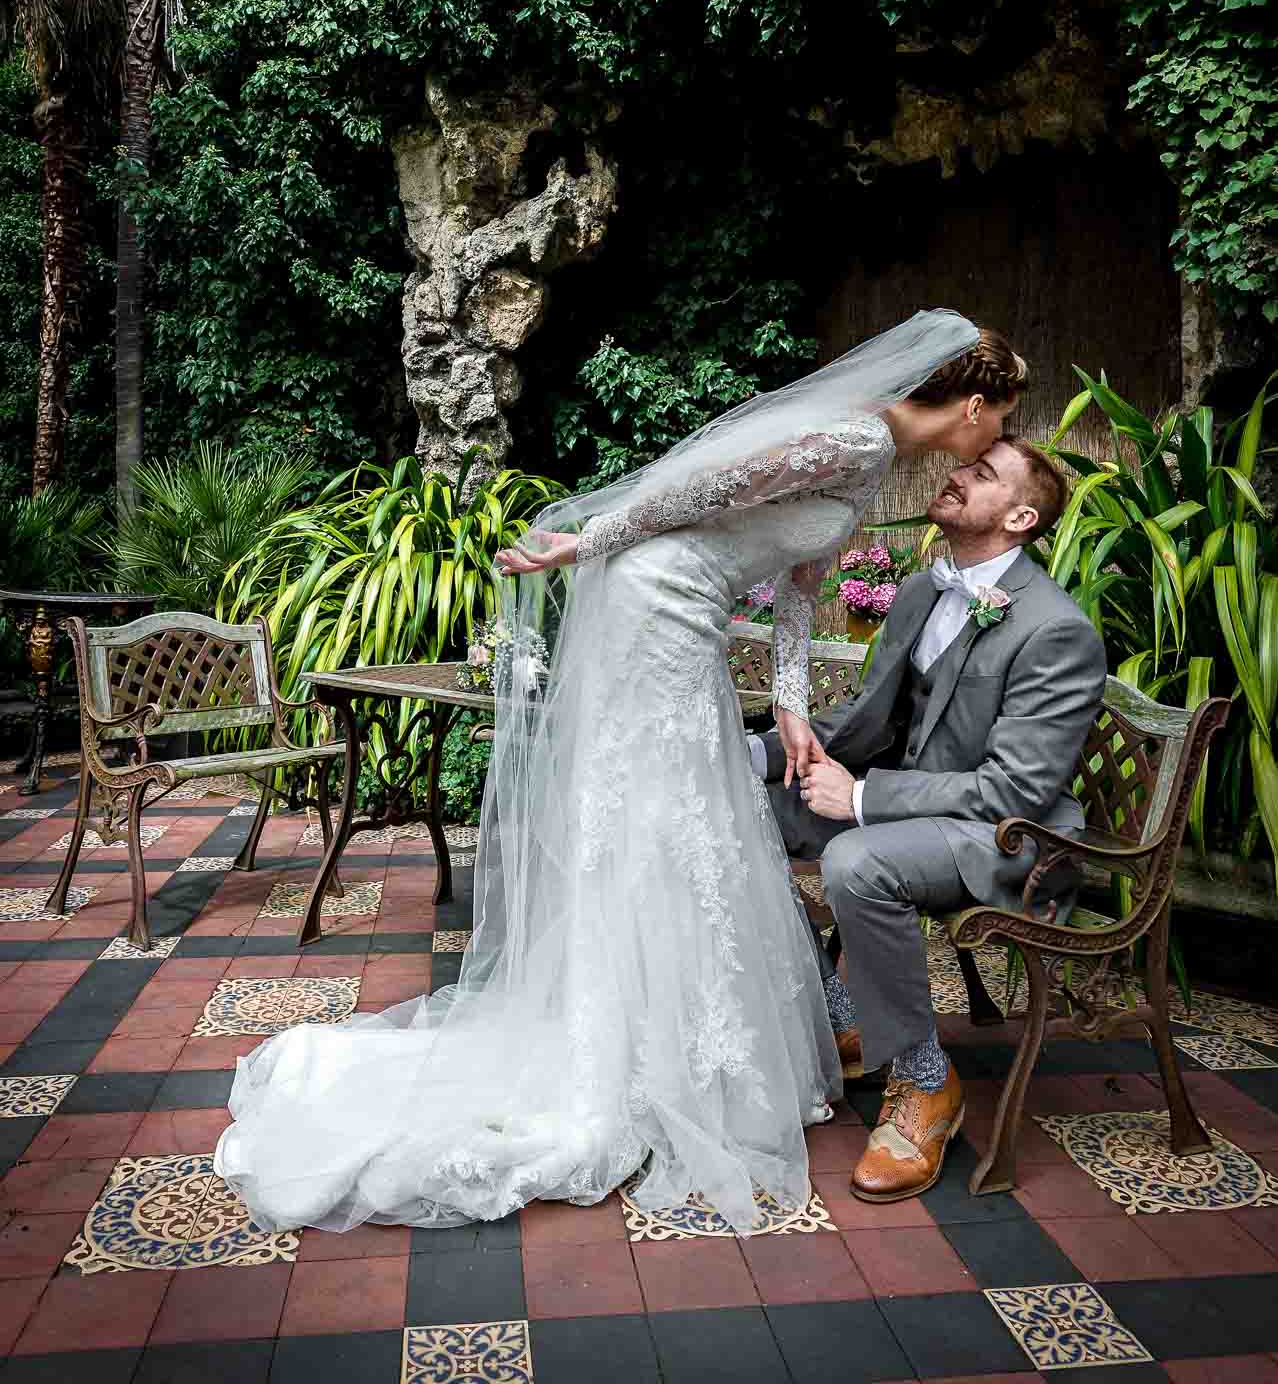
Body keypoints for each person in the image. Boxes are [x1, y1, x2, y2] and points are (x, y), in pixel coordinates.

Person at [214, 310, 1026, 1236]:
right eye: (997, 425)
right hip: (658, 604)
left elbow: (800, 588)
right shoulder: (848, 432)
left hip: (686, 614)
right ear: (971, 406)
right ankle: (640, 1063)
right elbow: (697, 484)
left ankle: (673, 1037)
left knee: (687, 822)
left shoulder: (873, 456)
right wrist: (584, 541)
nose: (992, 443)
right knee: (675, 819)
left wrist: (793, 705)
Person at [762, 436, 1107, 1203]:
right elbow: (868, 719)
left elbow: (1014, 790)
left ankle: (926, 1082)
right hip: (918, 810)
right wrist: (755, 755)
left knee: (859, 861)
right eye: (965, 464)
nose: (955, 473)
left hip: (1009, 840)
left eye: (981, 474)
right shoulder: (923, 592)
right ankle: (843, 1012)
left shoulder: (1056, 630)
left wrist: (860, 801)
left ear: (1020, 517)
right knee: (739, 815)